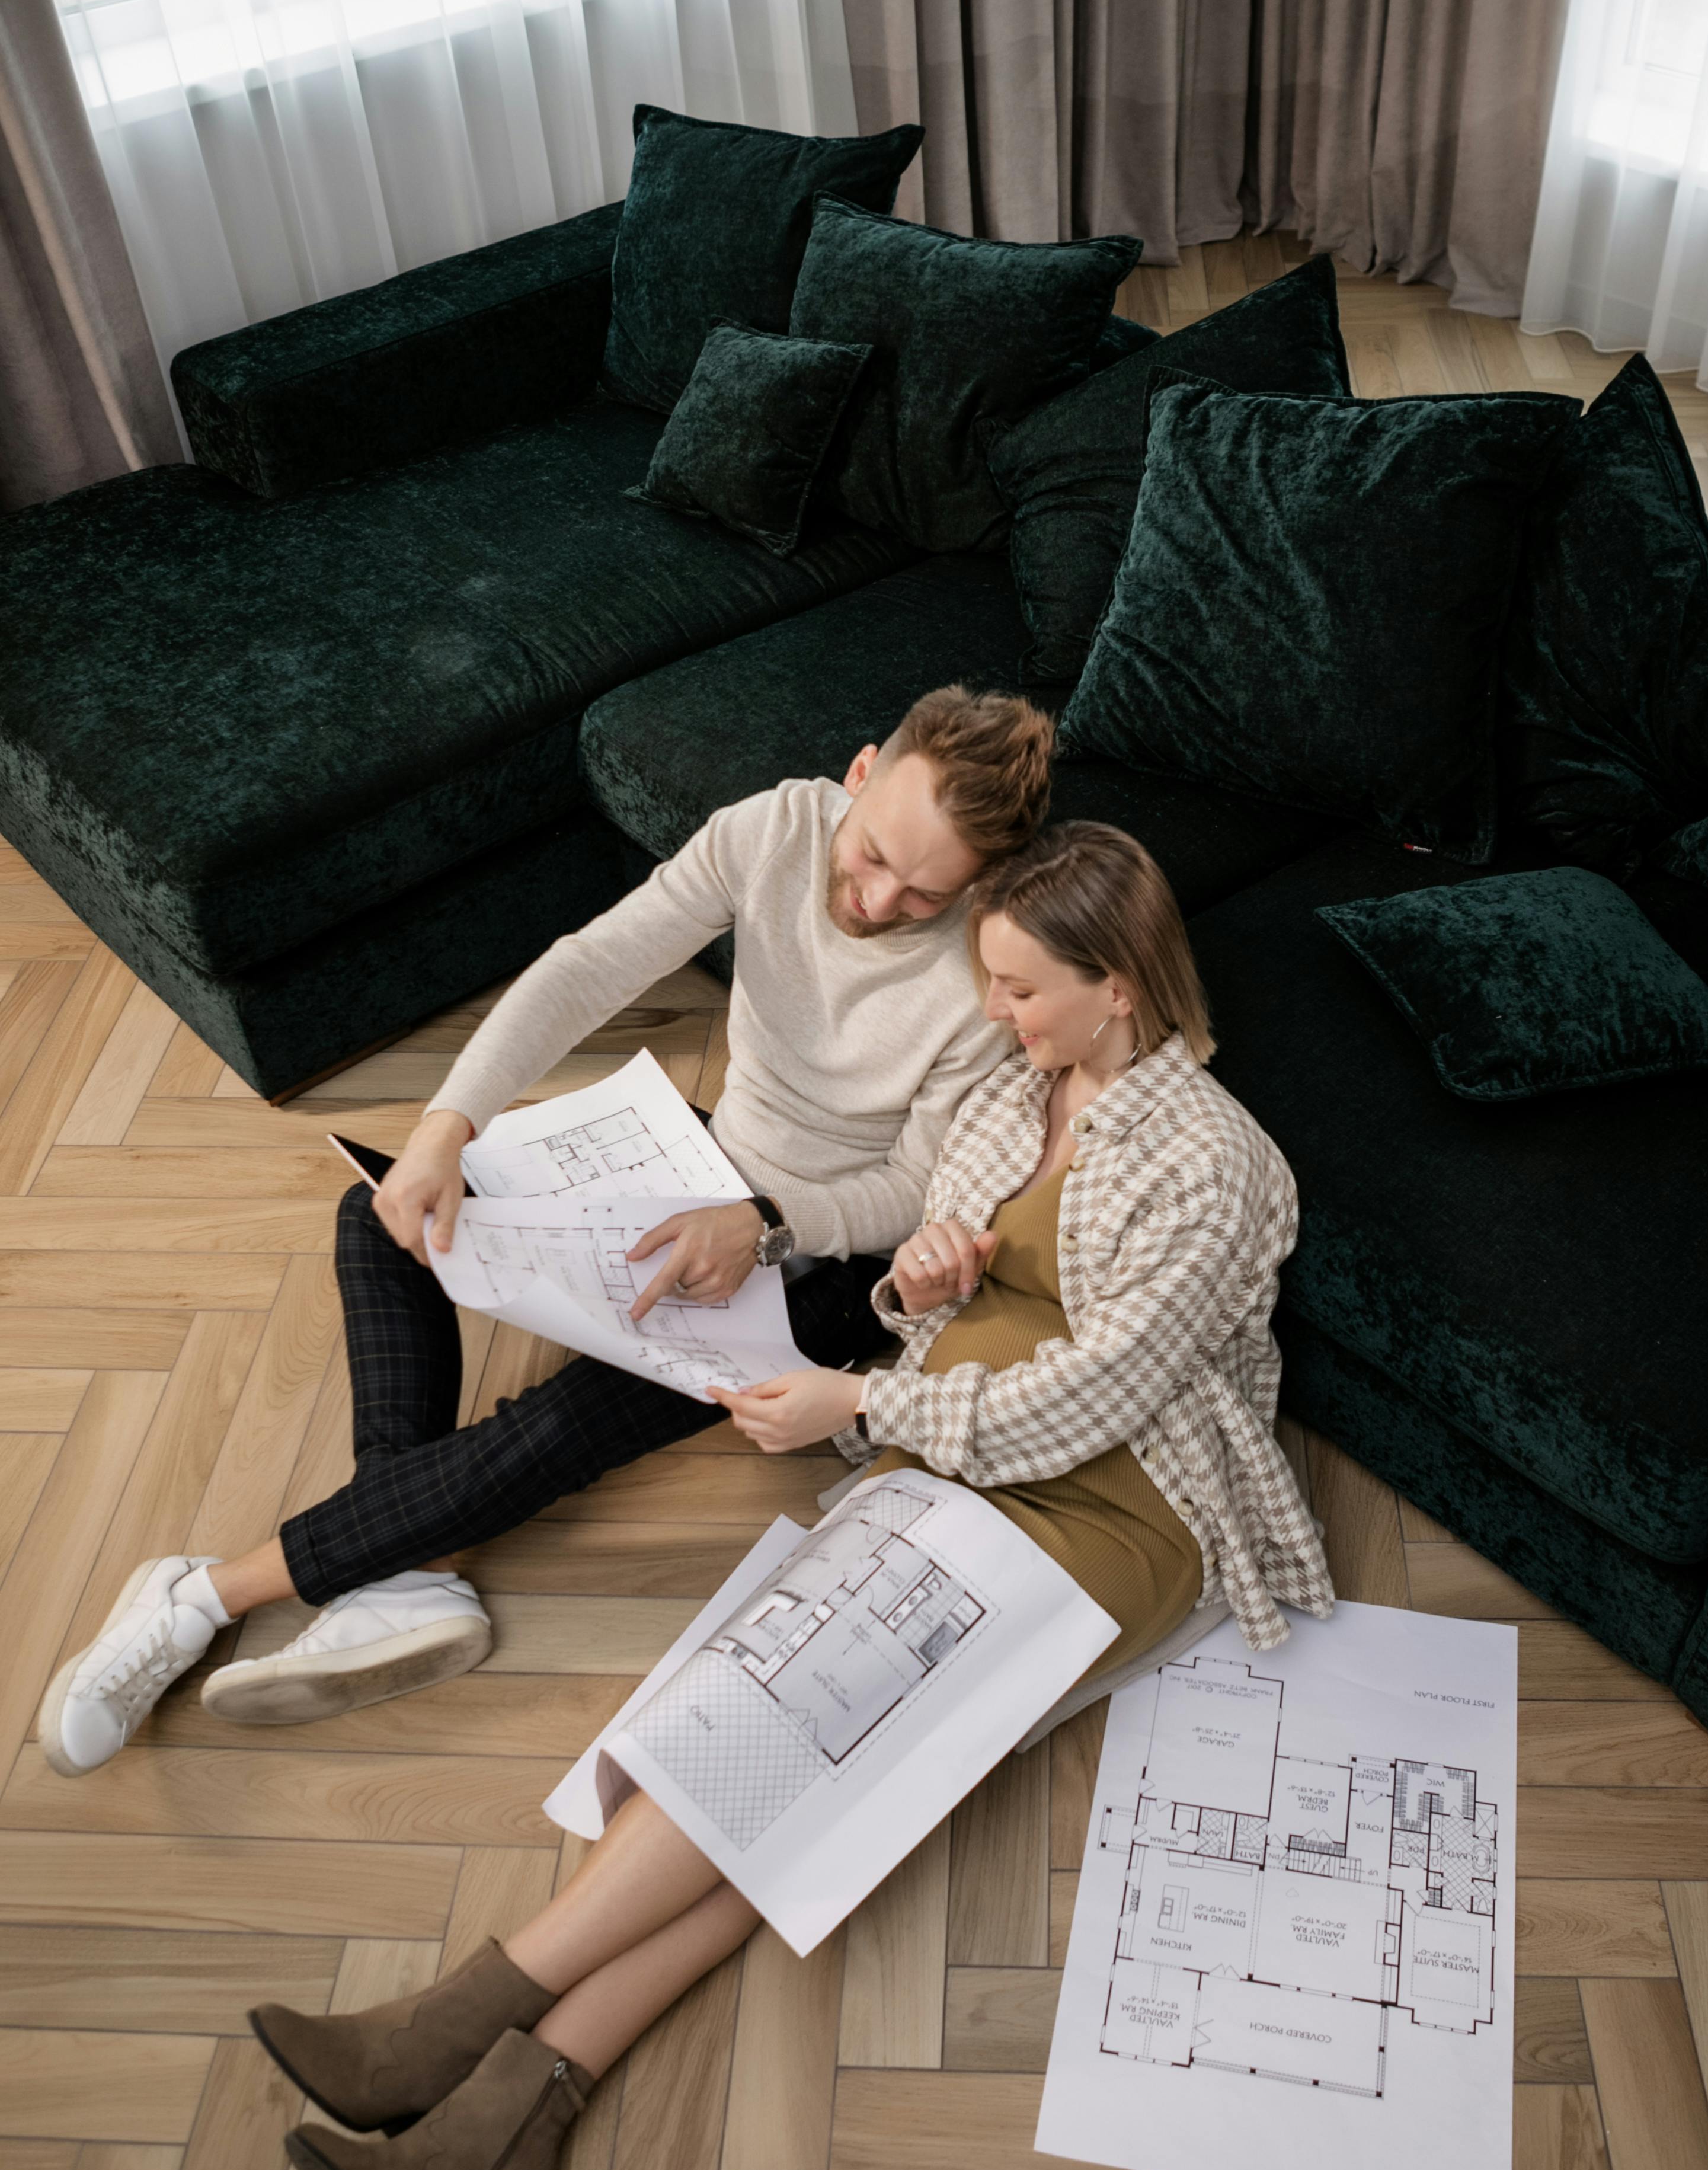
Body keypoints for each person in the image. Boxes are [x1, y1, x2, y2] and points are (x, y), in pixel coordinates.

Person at [245, 822, 1334, 2170]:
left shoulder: (1221, 1166)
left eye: (1019, 989)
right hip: (954, 1448)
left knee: (794, 1715)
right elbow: (926, 1270)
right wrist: (924, 1273)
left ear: (1120, 984)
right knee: (785, 1735)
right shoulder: (1026, 1093)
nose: (996, 1018)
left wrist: (864, 1395)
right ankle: (516, 2115)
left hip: (1122, 1509)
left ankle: (462, 2019)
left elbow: (1099, 1393)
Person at [40, 688, 1055, 1776]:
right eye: (871, 857)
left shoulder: (986, 966)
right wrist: (446, 1127)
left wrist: (763, 1224)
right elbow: (587, 967)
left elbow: (915, 1183)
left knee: (582, 1415)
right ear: (857, 774)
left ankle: (199, 1595)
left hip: (824, 1254)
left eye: (923, 893)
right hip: (699, 1160)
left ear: (980, 886)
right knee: (388, 1209)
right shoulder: (772, 826)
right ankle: (404, 1572)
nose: (876, 898)